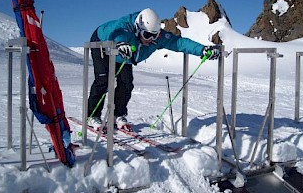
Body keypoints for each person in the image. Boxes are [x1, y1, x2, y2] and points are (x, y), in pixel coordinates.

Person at [87, 8, 220, 131]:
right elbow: (117, 33)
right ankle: (93, 115)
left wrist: (203, 50)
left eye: (154, 35)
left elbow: (179, 43)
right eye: (147, 35)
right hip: (103, 45)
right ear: (138, 28)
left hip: (125, 54)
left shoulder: (156, 38)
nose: (151, 40)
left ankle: (118, 115)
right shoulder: (125, 26)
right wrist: (120, 44)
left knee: (126, 83)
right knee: (103, 80)